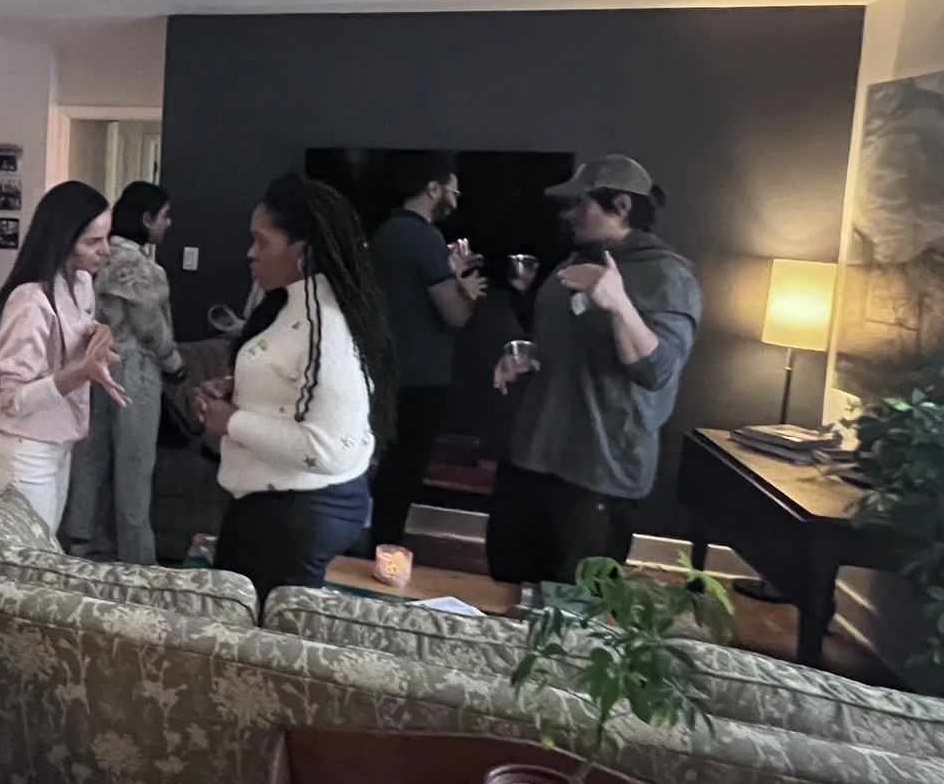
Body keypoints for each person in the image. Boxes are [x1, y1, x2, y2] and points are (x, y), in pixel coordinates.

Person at [490, 155, 701, 586]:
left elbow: (658, 371)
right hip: (532, 456)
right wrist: (523, 355)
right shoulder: (575, 261)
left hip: (596, 474)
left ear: (621, 206)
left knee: (576, 605)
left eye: (579, 203)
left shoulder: (667, 276)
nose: (568, 214)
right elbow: (561, 335)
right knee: (505, 583)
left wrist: (619, 303)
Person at [197, 174, 398, 598]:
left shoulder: (329, 327)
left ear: (303, 252)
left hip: (295, 515)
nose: (251, 253)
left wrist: (230, 421)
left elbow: (329, 447)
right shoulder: (291, 304)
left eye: (262, 242)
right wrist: (236, 389)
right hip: (274, 506)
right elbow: (295, 385)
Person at [0, 181, 127, 531]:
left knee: (45, 550)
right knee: (27, 556)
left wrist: (99, 332)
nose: (105, 250)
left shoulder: (81, 284)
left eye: (106, 237)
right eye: (93, 241)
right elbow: (15, 400)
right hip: (21, 448)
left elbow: (78, 328)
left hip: (56, 441)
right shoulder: (29, 300)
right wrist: (82, 372)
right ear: (64, 240)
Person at [365, 151, 485, 548]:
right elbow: (454, 314)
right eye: (453, 189)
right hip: (422, 377)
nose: (456, 196)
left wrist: (451, 275)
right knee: (403, 473)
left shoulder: (386, 232)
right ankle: (386, 551)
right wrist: (466, 291)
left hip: (387, 369)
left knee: (387, 467)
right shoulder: (424, 236)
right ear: (433, 188)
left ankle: (375, 546)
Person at [63, 181, 185, 563]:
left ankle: (80, 542)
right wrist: (175, 364)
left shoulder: (93, 259)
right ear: (147, 219)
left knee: (91, 456)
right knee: (134, 466)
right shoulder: (140, 268)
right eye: (164, 216)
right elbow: (150, 326)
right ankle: (137, 559)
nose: (168, 223)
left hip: (94, 365)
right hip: (136, 372)